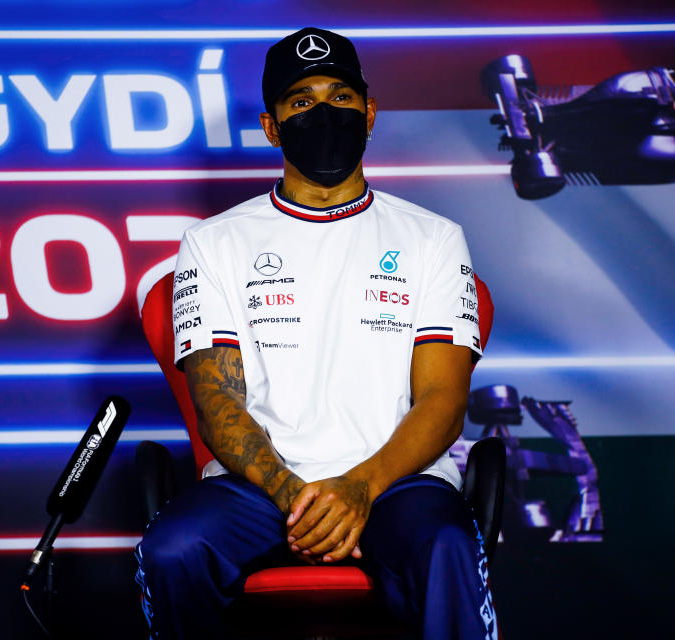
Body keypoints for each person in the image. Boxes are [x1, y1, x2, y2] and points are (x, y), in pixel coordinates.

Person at [135, 27, 496, 639]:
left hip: (397, 482)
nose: (323, 113)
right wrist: (298, 499)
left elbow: (444, 401)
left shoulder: (433, 238)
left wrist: (358, 488)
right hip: (258, 489)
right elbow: (216, 401)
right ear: (272, 127)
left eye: (340, 97)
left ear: (369, 112)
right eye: (301, 102)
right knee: (173, 550)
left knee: (447, 546)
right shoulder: (212, 242)